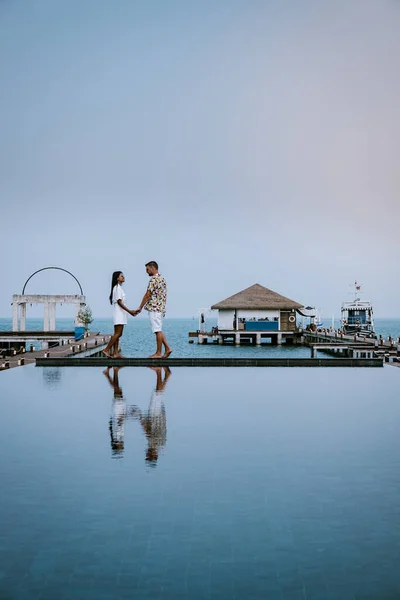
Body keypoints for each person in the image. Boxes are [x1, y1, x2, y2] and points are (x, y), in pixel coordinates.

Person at [132, 261, 172, 359]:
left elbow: (147, 295)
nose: (146, 272)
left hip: (154, 308)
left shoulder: (154, 279)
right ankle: (167, 348)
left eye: (147, 269)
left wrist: (140, 307)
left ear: (152, 268)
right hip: (160, 308)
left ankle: (159, 353)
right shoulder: (162, 279)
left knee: (157, 330)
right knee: (158, 329)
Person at [103, 271, 133, 358]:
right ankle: (106, 349)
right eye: (121, 276)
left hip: (120, 313)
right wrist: (129, 311)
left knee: (118, 333)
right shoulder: (117, 288)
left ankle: (116, 353)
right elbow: (119, 301)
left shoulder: (118, 288)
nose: (123, 277)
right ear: (117, 278)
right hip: (119, 313)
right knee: (118, 333)